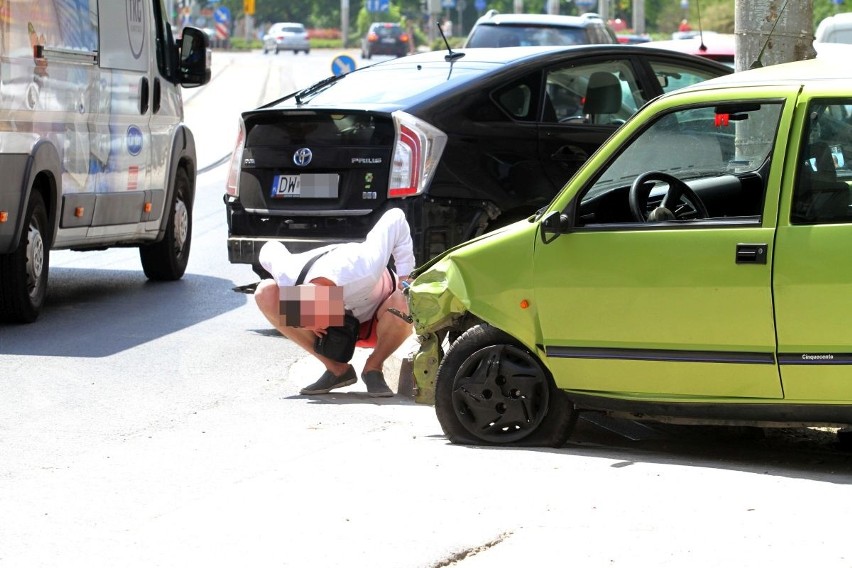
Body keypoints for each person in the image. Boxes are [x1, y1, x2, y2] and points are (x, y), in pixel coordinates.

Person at [253, 208, 415, 397]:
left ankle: (373, 367)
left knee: (407, 297)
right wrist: (310, 320)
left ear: (329, 305)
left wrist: (406, 276)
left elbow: (396, 217)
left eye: (318, 322)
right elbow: (269, 248)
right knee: (265, 291)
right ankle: (337, 369)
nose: (316, 328)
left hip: (381, 319)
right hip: (339, 320)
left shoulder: (364, 266)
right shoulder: (289, 275)